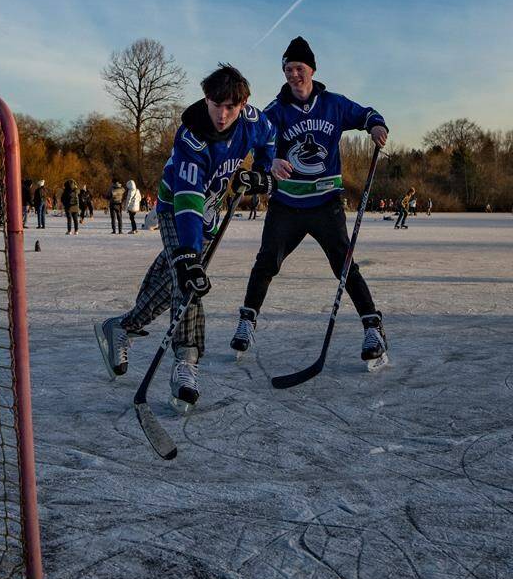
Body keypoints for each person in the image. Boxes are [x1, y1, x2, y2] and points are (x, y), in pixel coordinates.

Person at [95, 64, 276, 411]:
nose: (222, 115)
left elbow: (269, 138)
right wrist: (188, 254)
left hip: (209, 213)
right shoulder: (192, 137)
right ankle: (187, 362)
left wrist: (262, 172)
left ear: (243, 104)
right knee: (190, 282)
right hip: (176, 208)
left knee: (175, 280)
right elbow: (189, 198)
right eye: (215, 104)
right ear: (205, 98)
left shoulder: (253, 119)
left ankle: (122, 326)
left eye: (230, 108)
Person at [231, 37, 390, 368]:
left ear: (312, 70)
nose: (293, 75)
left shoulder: (333, 103)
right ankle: (247, 322)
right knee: (266, 262)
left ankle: (373, 327)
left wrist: (376, 126)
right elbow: (258, 146)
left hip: (326, 204)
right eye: (287, 69)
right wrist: (269, 163)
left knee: (344, 265)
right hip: (287, 205)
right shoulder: (274, 112)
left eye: (298, 68)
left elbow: (367, 113)